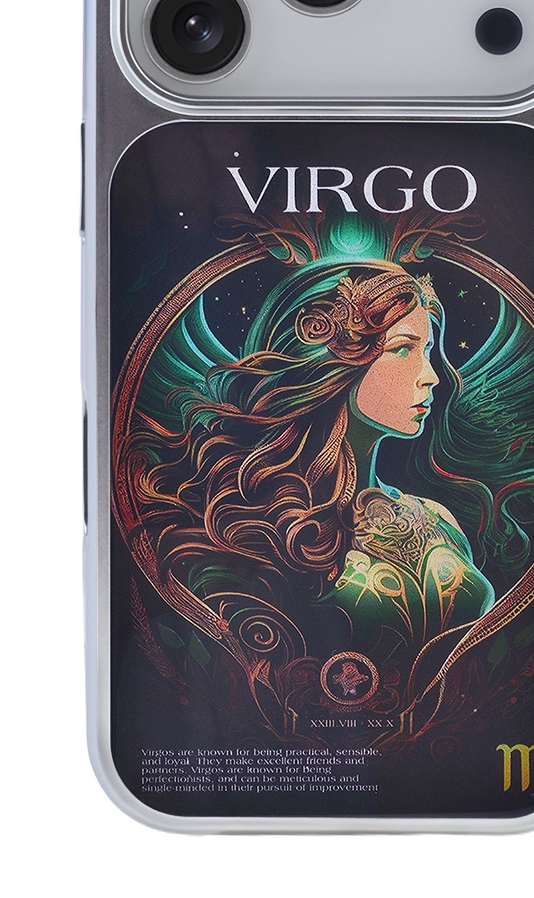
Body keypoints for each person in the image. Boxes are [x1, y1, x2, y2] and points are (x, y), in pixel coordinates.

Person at [125, 260, 500, 676]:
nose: (430, 376)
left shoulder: (436, 517)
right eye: (402, 349)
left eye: (426, 351)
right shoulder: (256, 528)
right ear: (333, 358)